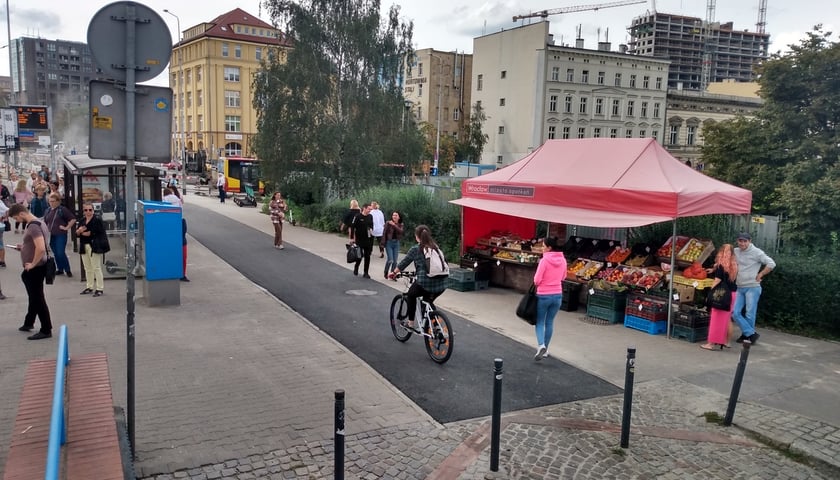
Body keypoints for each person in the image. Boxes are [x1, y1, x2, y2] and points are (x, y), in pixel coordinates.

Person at [388, 225, 448, 331]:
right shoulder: (435, 247)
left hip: (425, 283)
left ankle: (410, 324)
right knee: (428, 301)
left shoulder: (416, 249)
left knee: (411, 295)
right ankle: (436, 326)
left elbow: (403, 263)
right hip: (441, 284)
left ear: (417, 237)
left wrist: (393, 273)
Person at [7, 203, 52, 339]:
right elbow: (36, 244)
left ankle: (46, 329)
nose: (16, 221)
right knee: (34, 295)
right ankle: (29, 322)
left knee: (37, 297)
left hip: (36, 268)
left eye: (15, 218)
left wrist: (32, 264)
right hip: (37, 266)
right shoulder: (39, 222)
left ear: (21, 214)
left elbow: (41, 248)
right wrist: (24, 247)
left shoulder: (33, 226)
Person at [732, 232, 776, 345]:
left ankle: (746, 335)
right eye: (740, 241)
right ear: (737, 241)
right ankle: (750, 334)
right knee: (735, 312)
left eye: (745, 241)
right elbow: (727, 261)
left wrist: (761, 274)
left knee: (750, 313)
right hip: (740, 285)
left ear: (749, 241)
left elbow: (771, 263)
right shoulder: (736, 251)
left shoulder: (757, 252)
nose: (742, 243)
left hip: (752, 286)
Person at [532, 236, 567, 361]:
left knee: (540, 322)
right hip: (557, 295)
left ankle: (541, 345)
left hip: (543, 295)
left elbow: (536, 280)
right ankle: (546, 348)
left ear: (549, 248)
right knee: (549, 322)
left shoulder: (544, 261)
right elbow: (563, 277)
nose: (541, 248)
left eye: (543, 246)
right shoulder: (563, 260)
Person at [701, 244, 739, 351]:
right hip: (732, 294)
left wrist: (710, 292)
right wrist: (713, 269)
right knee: (726, 320)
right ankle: (727, 342)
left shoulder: (721, 265)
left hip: (721, 295)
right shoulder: (734, 264)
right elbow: (726, 276)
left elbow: (717, 280)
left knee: (716, 319)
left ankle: (711, 343)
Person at [76, 202, 107, 297]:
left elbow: (92, 233)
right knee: (87, 268)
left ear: (93, 210)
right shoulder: (82, 220)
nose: (88, 212)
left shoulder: (96, 219)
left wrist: (82, 232)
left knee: (96, 267)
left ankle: (99, 288)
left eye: (90, 210)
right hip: (84, 245)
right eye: (86, 210)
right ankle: (89, 286)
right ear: (83, 211)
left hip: (94, 245)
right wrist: (79, 231)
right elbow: (77, 233)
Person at [44, 193, 76, 277]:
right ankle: (60, 269)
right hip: (51, 235)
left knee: (60, 252)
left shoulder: (62, 210)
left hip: (60, 234)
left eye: (53, 201)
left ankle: (67, 269)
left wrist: (66, 227)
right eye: (50, 201)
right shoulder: (47, 210)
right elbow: (45, 222)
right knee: (55, 253)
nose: (51, 203)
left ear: (58, 201)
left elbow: (73, 219)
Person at [349, 203, 374, 278]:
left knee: (367, 256)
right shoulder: (357, 216)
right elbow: (352, 227)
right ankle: (356, 267)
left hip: (368, 239)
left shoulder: (370, 216)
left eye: (370, 209)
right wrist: (351, 238)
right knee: (359, 255)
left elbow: (371, 225)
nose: (370, 210)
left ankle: (366, 272)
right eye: (369, 209)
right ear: (364, 208)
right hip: (359, 240)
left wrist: (371, 230)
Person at [381, 211, 404, 279]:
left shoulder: (401, 224)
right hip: (389, 243)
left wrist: (394, 225)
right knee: (390, 260)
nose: (394, 216)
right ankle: (386, 272)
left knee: (395, 261)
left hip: (396, 243)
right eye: (393, 215)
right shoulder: (388, 223)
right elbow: (384, 233)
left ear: (399, 217)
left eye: (396, 215)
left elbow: (401, 231)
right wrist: (382, 243)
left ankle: (392, 274)